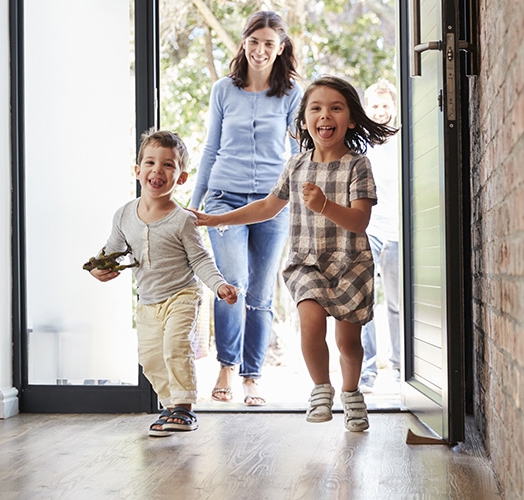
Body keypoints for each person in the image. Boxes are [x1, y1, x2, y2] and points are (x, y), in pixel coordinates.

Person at [189, 76, 398, 432]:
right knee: (311, 324)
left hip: (350, 264)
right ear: (303, 120)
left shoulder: (358, 165)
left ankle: (351, 393)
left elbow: (360, 221)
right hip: (307, 263)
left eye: (335, 108)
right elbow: (267, 207)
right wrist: (217, 218)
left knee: (348, 342)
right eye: (315, 108)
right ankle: (321, 389)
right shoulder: (296, 165)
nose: (324, 115)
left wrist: (325, 205)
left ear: (351, 119)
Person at [88, 129, 238, 437]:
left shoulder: (183, 220)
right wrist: (97, 268)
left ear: (181, 178)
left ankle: (184, 407)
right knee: (150, 358)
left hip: (182, 294)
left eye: (168, 165)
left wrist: (219, 285)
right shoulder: (123, 215)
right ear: (137, 170)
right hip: (147, 300)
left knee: (175, 346)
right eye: (150, 162)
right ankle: (171, 407)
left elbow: (200, 260)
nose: (158, 170)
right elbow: (111, 251)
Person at [189, 10, 303, 407]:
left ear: (281, 48)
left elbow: (298, 153)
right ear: (244, 42)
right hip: (224, 198)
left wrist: (300, 202)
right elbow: (210, 148)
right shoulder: (224, 89)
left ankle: (252, 375)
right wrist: (194, 204)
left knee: (260, 291)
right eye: (254, 41)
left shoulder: (291, 94)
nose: (260, 50)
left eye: (269, 43)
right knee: (232, 283)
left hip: (273, 203)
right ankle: (226, 366)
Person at [359, 79, 402, 392]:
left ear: (394, 107)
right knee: (365, 303)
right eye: (374, 105)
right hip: (369, 230)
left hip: (398, 232)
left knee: (398, 305)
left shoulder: (405, 142)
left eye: (385, 105)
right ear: (366, 108)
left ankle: (401, 368)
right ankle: (368, 371)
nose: (380, 111)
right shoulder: (361, 146)